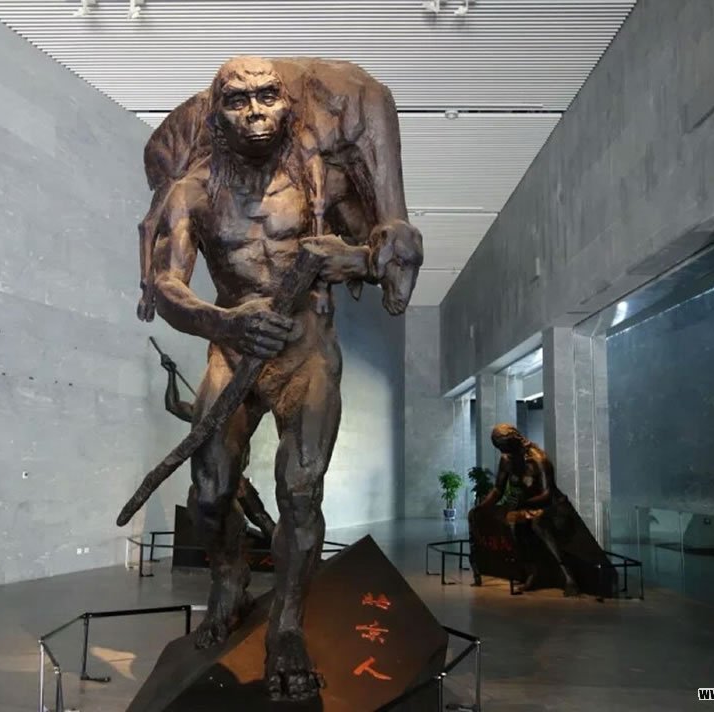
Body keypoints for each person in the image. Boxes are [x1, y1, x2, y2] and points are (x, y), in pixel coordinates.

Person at [149, 57, 397, 699]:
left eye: (267, 96)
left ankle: (286, 626)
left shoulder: (323, 183)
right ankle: (228, 576)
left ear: (289, 106)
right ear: (216, 113)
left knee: (301, 491)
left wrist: (353, 258)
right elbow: (166, 284)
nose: (255, 112)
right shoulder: (192, 192)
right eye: (237, 101)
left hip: (304, 349)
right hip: (232, 347)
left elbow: (384, 256)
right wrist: (222, 322)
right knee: (210, 494)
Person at [158, 352, 276, 542]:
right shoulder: (203, 418)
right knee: (249, 519)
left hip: (234, 480)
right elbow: (173, 405)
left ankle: (284, 551)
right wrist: (171, 373)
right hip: (214, 483)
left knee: (260, 517)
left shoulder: (238, 417)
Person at [472, 423, 579, 596]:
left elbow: (548, 494)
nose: (504, 453)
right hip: (524, 506)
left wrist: (523, 503)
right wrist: (481, 508)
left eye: (505, 449)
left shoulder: (539, 459)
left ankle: (568, 576)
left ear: (515, 443)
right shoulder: (507, 459)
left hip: (551, 508)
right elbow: (498, 489)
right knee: (510, 521)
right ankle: (531, 572)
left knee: (538, 523)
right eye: (501, 450)